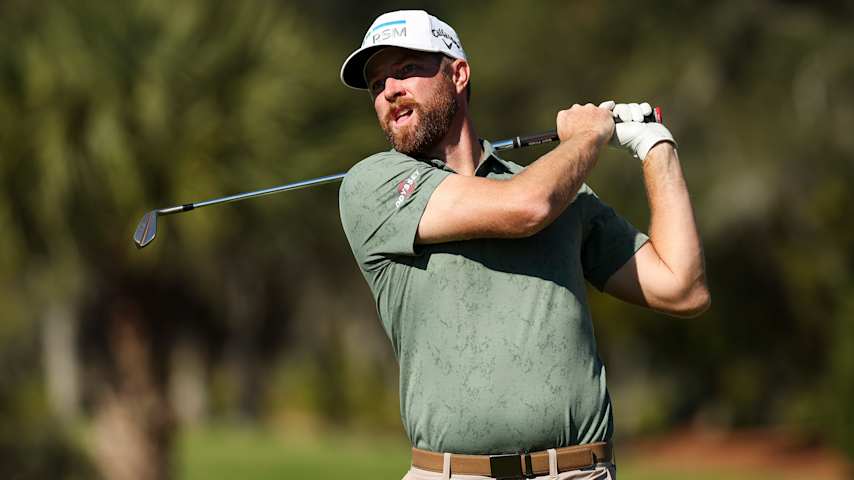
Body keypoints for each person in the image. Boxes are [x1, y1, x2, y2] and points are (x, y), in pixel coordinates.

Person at [338, 10, 709, 480]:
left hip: (578, 473)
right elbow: (526, 207)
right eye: (376, 84)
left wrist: (656, 146)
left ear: (458, 74)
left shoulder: (562, 193)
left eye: (407, 69)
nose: (389, 90)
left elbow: (682, 287)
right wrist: (590, 135)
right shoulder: (372, 184)